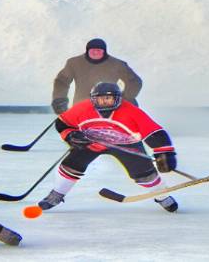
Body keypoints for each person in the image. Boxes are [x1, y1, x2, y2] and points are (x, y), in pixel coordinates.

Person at [38, 83, 178, 213]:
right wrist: (70, 135)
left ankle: (161, 195)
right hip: (92, 143)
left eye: (108, 98)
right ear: (93, 99)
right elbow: (63, 123)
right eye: (100, 99)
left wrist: (165, 153)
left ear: (118, 99)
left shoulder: (131, 111)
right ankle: (57, 194)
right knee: (71, 165)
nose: (104, 102)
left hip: (127, 144)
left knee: (144, 174)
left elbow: (154, 133)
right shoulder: (82, 108)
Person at [51, 38, 143, 113]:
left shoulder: (117, 64)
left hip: (110, 106)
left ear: (104, 52)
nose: (95, 53)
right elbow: (62, 81)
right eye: (92, 51)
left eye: (98, 51)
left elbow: (134, 81)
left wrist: (126, 98)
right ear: (87, 51)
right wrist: (59, 99)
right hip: (83, 106)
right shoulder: (74, 63)